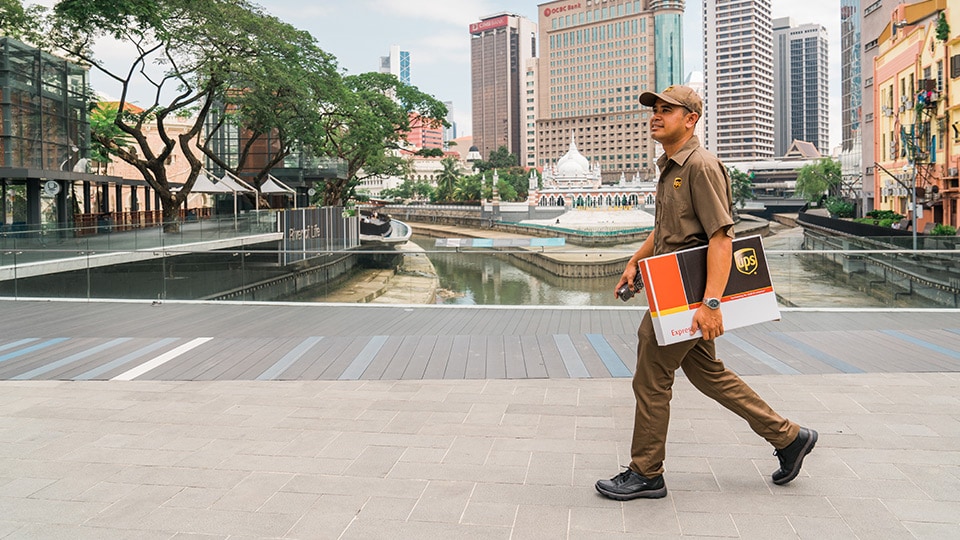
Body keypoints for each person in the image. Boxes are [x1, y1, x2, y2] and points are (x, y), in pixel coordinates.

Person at [595, 85, 817, 501]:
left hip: (688, 295)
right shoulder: (672, 166)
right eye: (654, 110)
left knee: (650, 377)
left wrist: (711, 304)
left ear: (691, 118)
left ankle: (646, 472)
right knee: (709, 374)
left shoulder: (700, 166)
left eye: (667, 110)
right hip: (671, 286)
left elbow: (721, 238)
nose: (656, 116)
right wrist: (635, 261)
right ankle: (789, 438)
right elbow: (663, 231)